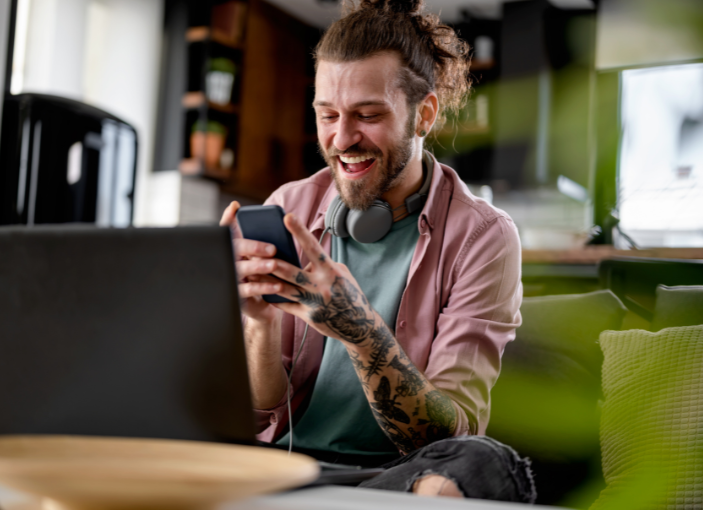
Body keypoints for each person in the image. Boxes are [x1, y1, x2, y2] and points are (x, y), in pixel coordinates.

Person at [220, 0, 534, 502]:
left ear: (424, 114)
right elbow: (262, 415)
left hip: (399, 475)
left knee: (484, 461)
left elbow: (450, 434)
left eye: (367, 115)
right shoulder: (288, 207)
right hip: (283, 465)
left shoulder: (483, 237)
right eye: (327, 115)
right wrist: (257, 322)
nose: (342, 139)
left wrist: (363, 336)